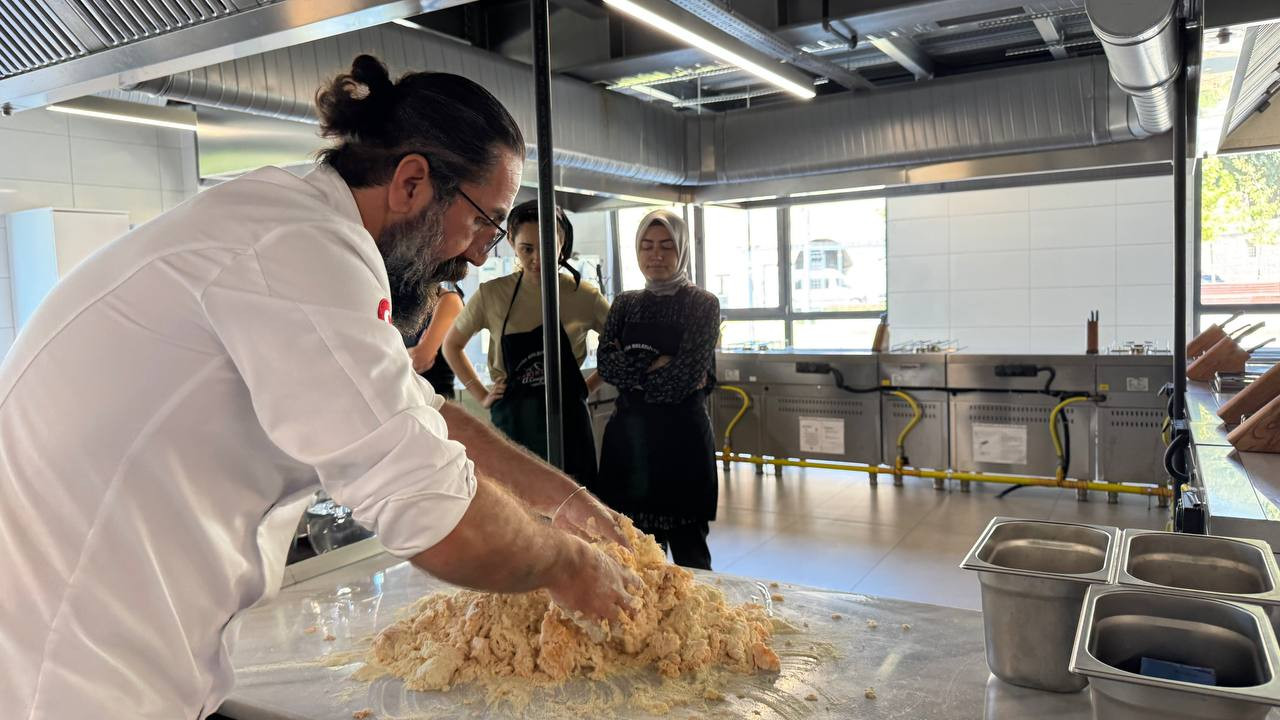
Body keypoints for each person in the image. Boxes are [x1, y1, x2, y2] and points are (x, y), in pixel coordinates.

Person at [0, 55, 638, 720]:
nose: (482, 252)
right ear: (412, 182)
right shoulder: (299, 248)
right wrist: (571, 567)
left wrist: (565, 500)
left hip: (119, 644)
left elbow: (426, 412)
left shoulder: (303, 229)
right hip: (69, 670)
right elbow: (437, 518)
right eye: (485, 221)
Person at [443, 200, 609, 484]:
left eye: (548, 247)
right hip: (514, 425)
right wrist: (481, 394)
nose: (537, 259)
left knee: (575, 506)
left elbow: (617, 347)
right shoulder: (492, 295)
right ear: (511, 242)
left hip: (569, 426)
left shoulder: (584, 296)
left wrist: (586, 387)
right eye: (527, 249)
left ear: (562, 242)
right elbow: (451, 345)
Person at [593, 210, 721, 570]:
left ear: (682, 250)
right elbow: (606, 366)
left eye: (667, 246)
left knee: (691, 558)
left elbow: (682, 380)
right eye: (647, 246)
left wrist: (632, 366)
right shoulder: (625, 303)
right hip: (629, 446)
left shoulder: (702, 304)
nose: (656, 255)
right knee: (633, 560)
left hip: (682, 445)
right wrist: (657, 362)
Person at [405, 281, 464, 398]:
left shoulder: (448, 299)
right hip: (407, 398)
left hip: (436, 401)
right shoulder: (403, 304)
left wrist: (393, 357)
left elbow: (419, 360)